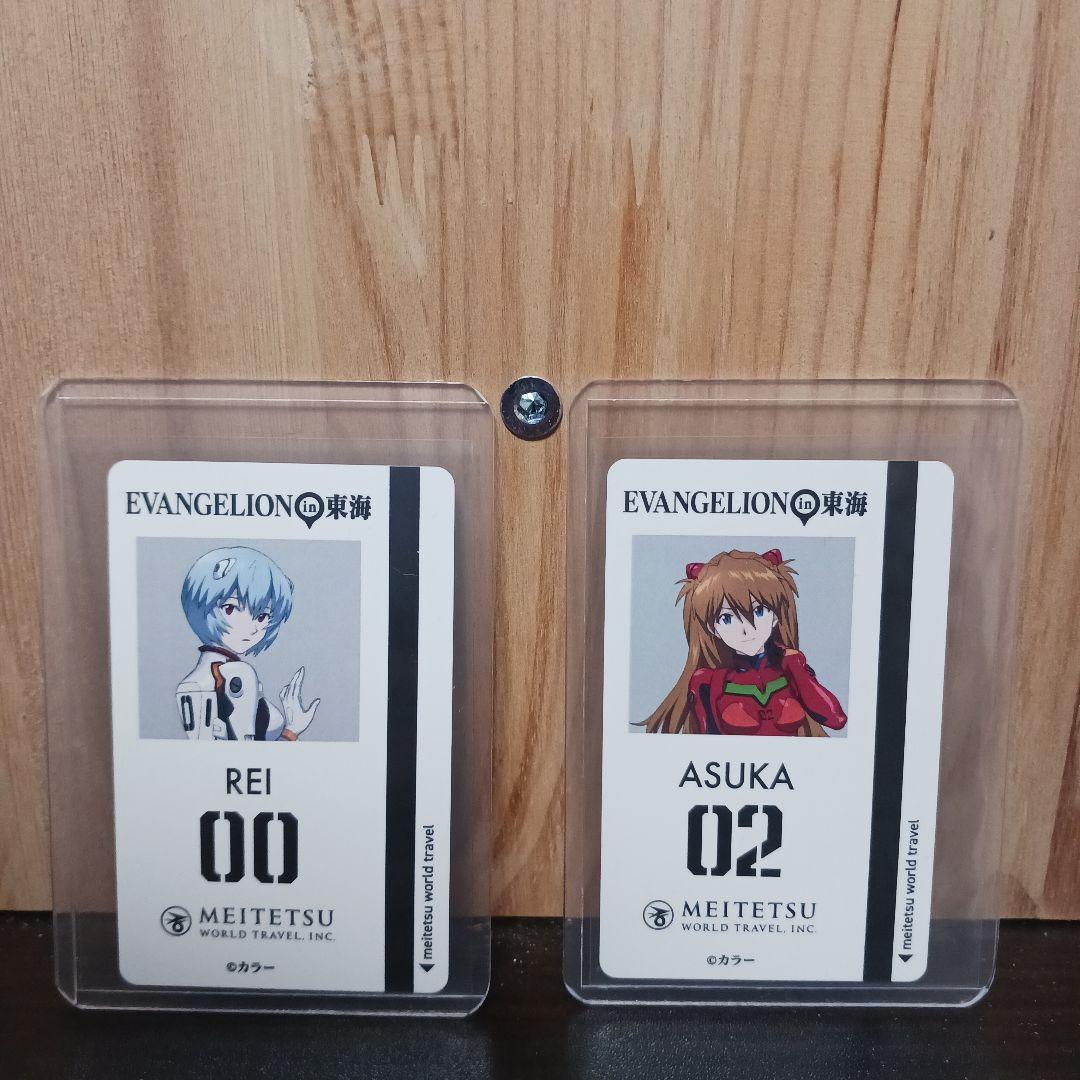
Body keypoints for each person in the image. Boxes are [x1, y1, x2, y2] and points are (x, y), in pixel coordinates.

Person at [643, 548, 846, 737]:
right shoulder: (707, 682)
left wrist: (795, 667)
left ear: (775, 616)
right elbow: (706, 745)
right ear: (713, 629)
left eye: (759, 611)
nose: (747, 629)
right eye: (727, 618)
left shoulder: (790, 667)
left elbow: (836, 719)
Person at [175, 546, 319, 741]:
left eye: (262, 616)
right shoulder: (226, 676)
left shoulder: (234, 674)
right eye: (230, 608)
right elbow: (242, 751)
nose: (252, 627)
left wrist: (291, 731)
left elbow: (251, 750)